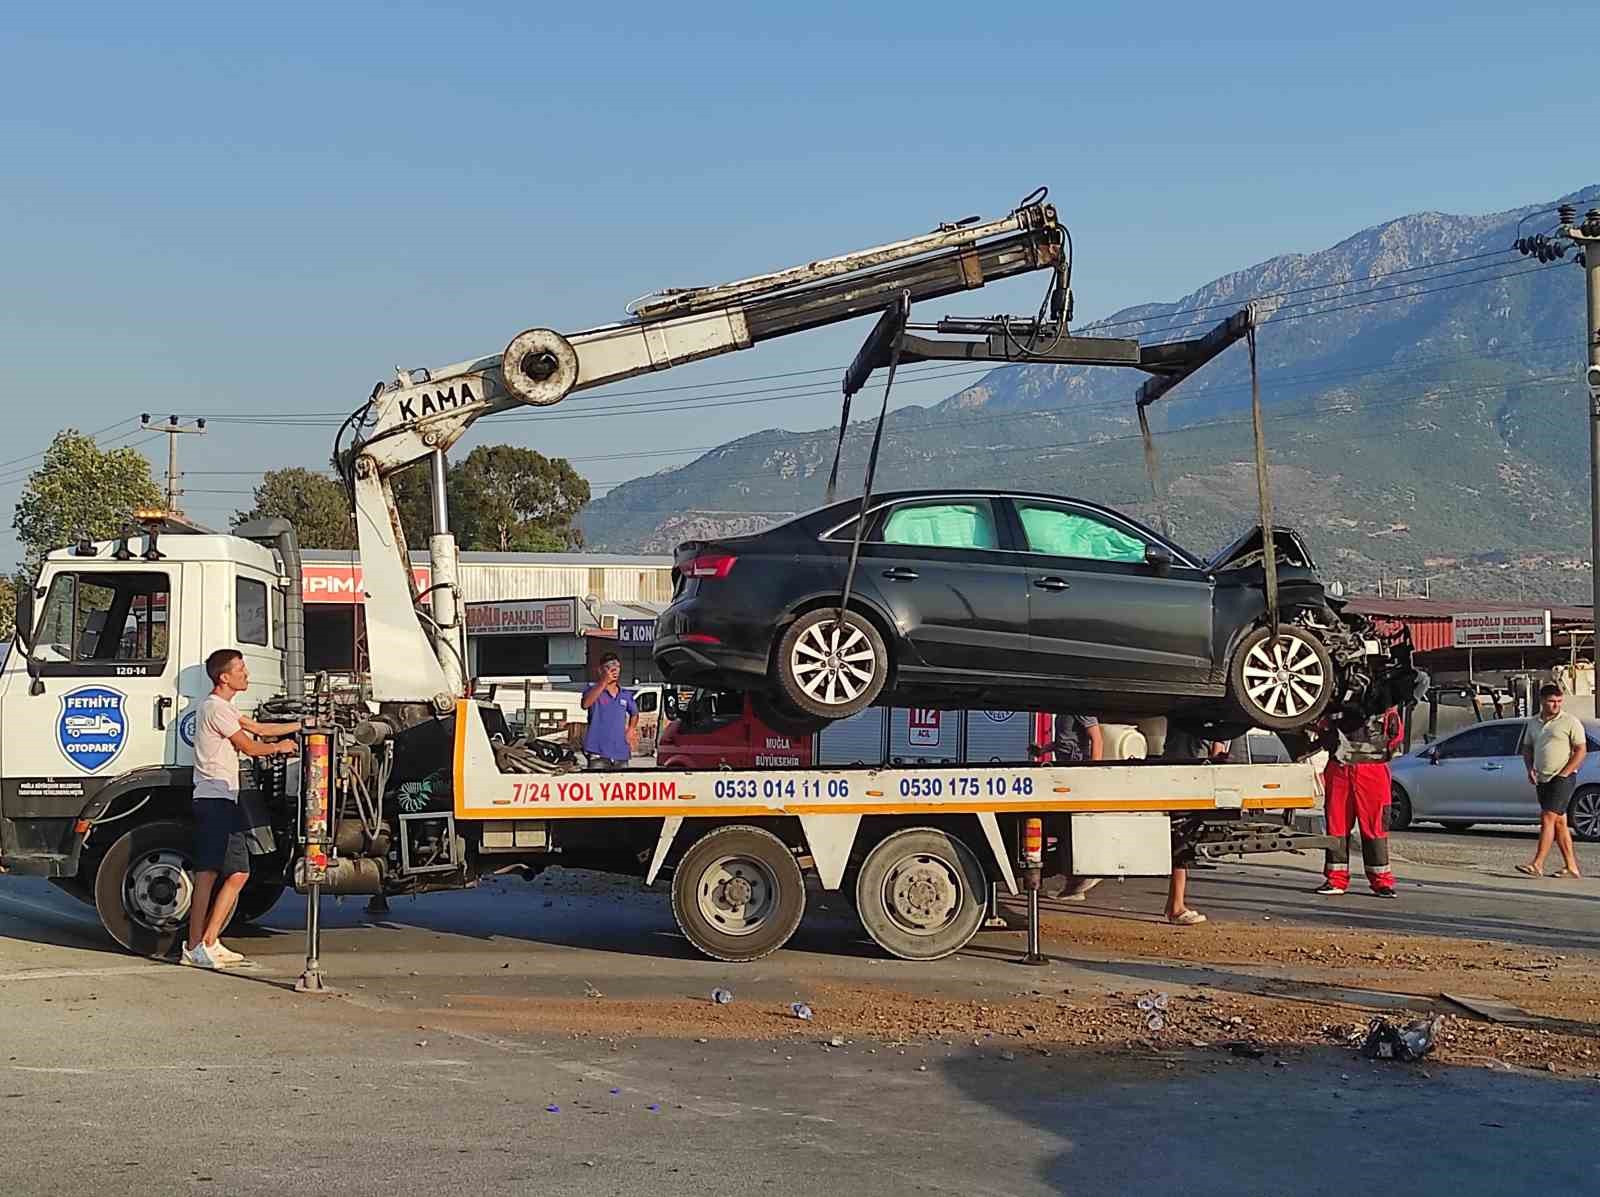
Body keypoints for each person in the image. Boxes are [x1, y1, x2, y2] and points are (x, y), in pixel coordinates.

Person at [183, 648, 299, 969]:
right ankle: (193, 946)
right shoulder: (214, 708)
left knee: (238, 873)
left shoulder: (227, 709)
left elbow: (260, 729)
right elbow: (252, 746)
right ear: (224, 677)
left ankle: (211, 941)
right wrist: (281, 747)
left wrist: (302, 724)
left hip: (227, 799)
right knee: (206, 874)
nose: (246, 674)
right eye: (241, 670)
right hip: (212, 799)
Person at [1315, 706, 1402, 898]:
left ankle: (1381, 881)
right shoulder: (1334, 701)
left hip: (1372, 770)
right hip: (1341, 768)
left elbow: (1395, 736)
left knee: (1375, 827)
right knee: (1337, 825)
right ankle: (1336, 878)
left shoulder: (1384, 704)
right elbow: (1322, 729)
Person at [1161, 721, 1230, 925]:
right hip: (1186, 776)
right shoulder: (1199, 717)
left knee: (1180, 839)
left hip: (1180, 772)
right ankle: (1175, 906)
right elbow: (1216, 748)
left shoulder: (1185, 714)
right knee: (1181, 840)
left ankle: (1174, 903)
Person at [1033, 714, 1104, 900]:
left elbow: (1096, 739)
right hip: (1066, 770)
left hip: (1077, 771)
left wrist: (1092, 773)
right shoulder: (1063, 712)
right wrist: (1042, 750)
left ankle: (1085, 876)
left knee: (1073, 826)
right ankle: (1074, 886)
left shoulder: (1079, 708)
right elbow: (1063, 742)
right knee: (1066, 827)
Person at [1518, 683, 1585, 879]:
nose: (1556, 705)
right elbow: (1528, 748)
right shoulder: (1533, 723)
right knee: (1559, 823)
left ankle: (1537, 863)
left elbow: (1581, 750)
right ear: (1542, 701)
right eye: (1551, 701)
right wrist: (1530, 768)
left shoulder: (1570, 722)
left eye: (1558, 701)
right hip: (1542, 777)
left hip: (1563, 777)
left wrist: (1565, 773)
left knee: (1547, 818)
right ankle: (1572, 866)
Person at [581, 652, 639, 770]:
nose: (614, 670)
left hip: (621, 753)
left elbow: (635, 713)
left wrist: (631, 729)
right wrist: (603, 682)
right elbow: (585, 704)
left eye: (617, 667)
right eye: (609, 667)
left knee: (621, 787)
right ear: (600, 670)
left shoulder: (625, 694)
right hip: (598, 752)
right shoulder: (592, 691)